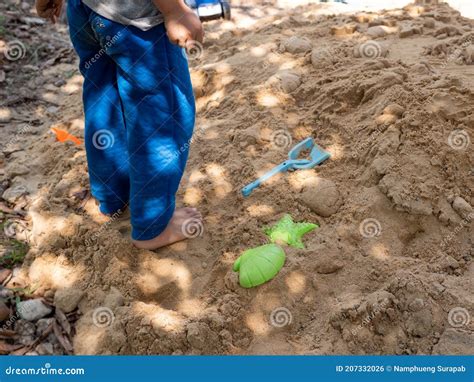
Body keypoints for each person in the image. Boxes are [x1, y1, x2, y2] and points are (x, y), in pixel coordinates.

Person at [35, 0, 204, 249]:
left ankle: (111, 197)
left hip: (85, 10)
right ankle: (153, 227)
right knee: (162, 118)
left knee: (105, 99)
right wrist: (174, 10)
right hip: (136, 22)